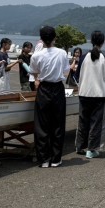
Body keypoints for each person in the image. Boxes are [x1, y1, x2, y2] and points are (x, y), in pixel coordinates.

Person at [29, 26, 70, 168]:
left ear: (41, 39)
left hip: (44, 88)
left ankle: (44, 159)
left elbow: (34, 72)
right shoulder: (62, 53)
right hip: (57, 88)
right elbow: (66, 70)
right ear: (54, 38)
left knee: (42, 124)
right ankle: (56, 158)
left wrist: (38, 78)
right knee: (58, 123)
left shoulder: (36, 55)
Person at [75, 31, 105, 159]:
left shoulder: (83, 57)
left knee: (83, 121)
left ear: (91, 41)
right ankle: (91, 150)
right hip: (99, 95)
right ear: (103, 42)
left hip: (84, 93)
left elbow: (77, 76)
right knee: (96, 123)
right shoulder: (104, 59)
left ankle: (80, 146)